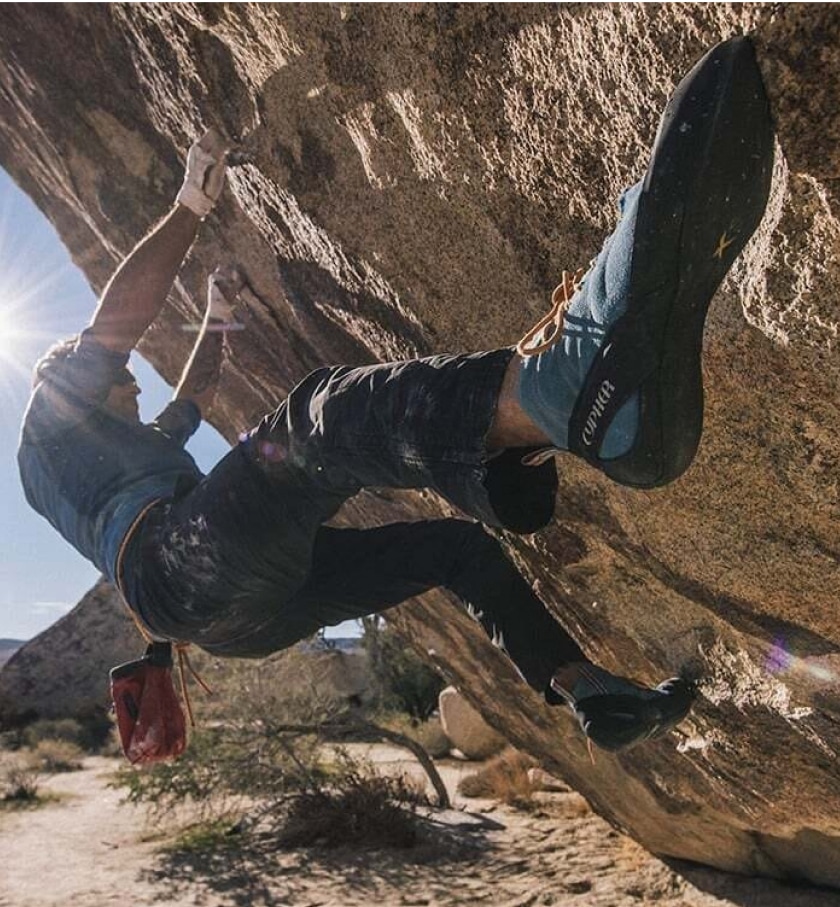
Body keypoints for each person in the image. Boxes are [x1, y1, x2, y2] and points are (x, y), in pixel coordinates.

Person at [18, 37, 774, 753]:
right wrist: (189, 203)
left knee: (453, 551)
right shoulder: (50, 417)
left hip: (234, 612)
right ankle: (563, 392)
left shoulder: (127, 453)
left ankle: (582, 687)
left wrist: (218, 314)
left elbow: (192, 395)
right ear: (71, 379)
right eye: (119, 381)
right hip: (182, 564)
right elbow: (113, 327)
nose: (131, 384)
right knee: (315, 423)